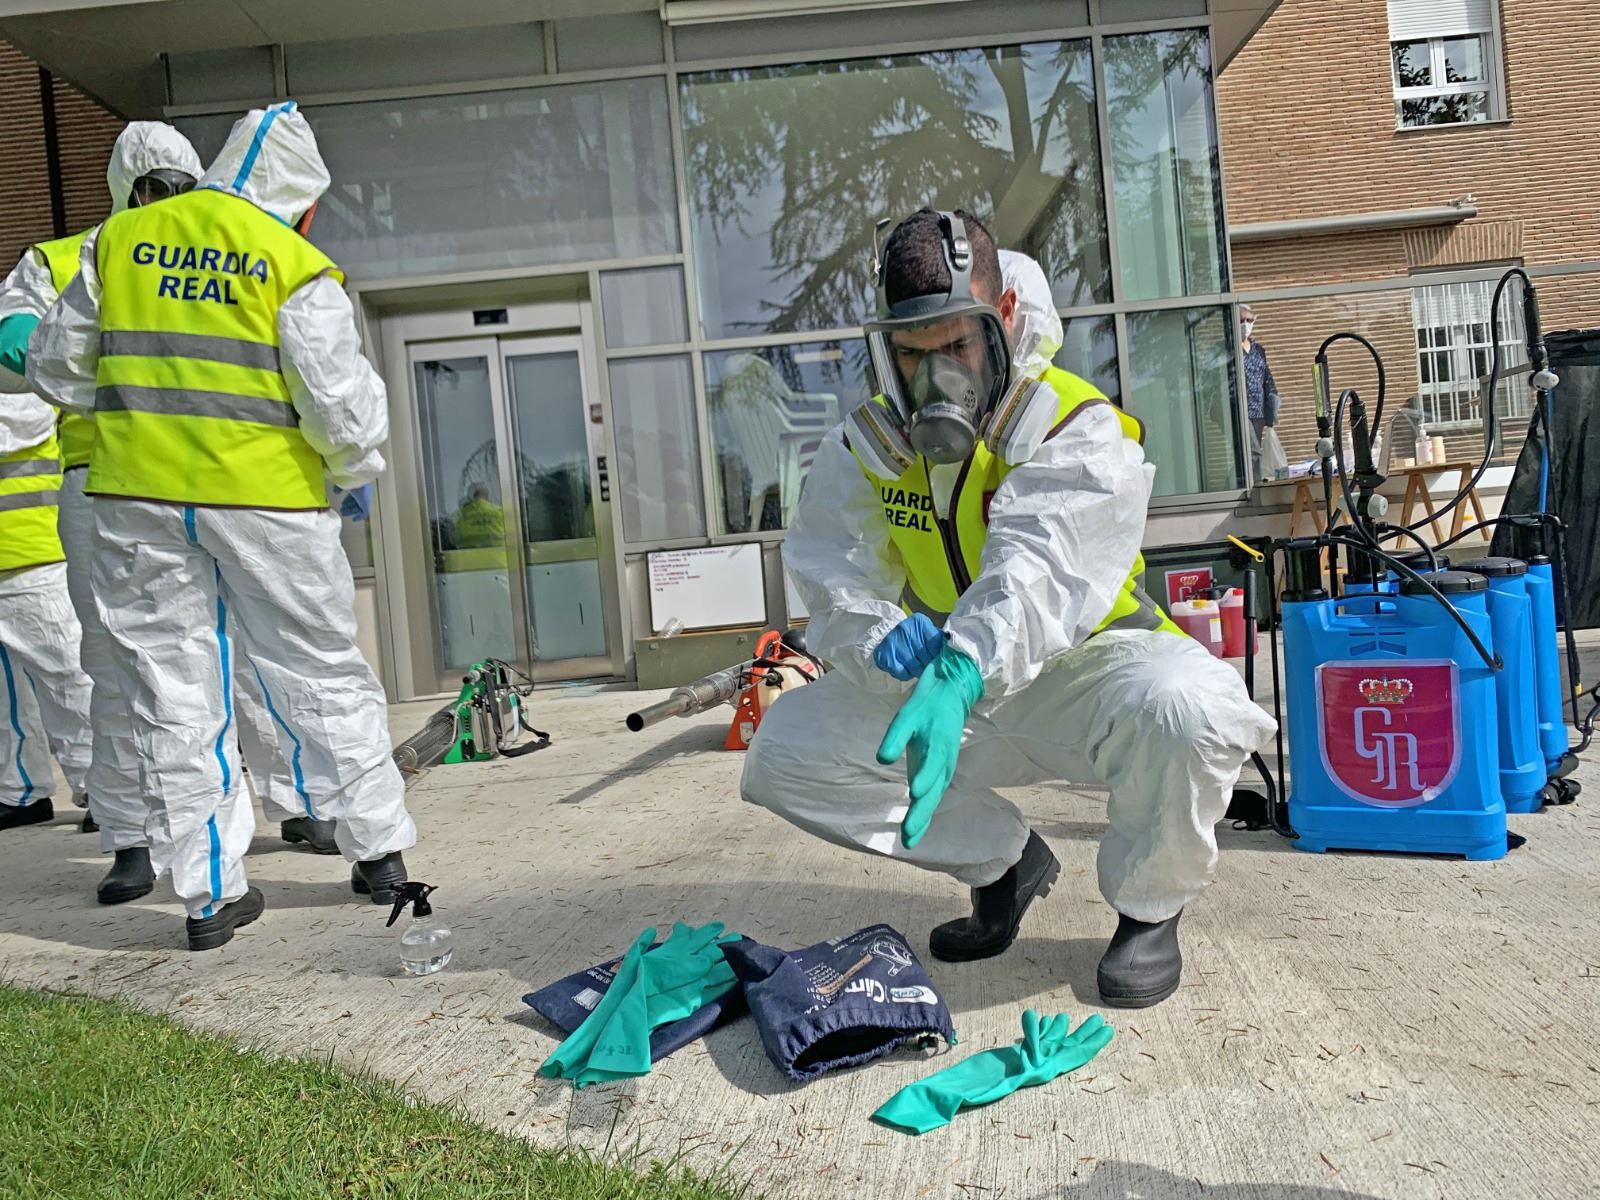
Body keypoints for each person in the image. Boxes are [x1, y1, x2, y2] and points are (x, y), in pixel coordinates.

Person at [742, 209, 1276, 1008]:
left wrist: (965, 661)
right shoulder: (867, 448)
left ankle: (1147, 906)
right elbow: (833, 572)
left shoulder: (1073, 423)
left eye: (957, 348)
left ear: (1006, 321)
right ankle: (1004, 865)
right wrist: (888, 640)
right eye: (911, 356)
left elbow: (1041, 568)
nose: (936, 382)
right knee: (787, 751)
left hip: (1084, 678)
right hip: (951, 699)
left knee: (1190, 707)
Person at [28, 102, 418, 951]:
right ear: (301, 196)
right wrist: (352, 481)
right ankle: (378, 852)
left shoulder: (117, 244)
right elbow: (345, 415)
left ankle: (210, 895)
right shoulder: (292, 259)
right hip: (271, 500)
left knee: (173, 691)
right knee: (320, 673)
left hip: (136, 499)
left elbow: (55, 369)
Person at [0, 122, 334, 906]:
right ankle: (131, 834)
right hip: (117, 481)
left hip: (214, 475)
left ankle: (296, 801)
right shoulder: (74, 257)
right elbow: (18, 334)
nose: (162, 199)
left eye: (173, 184)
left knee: (250, 651)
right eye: (151, 187)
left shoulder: (215, 243)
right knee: (124, 665)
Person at [1240, 304, 1281, 481]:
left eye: (1249, 320)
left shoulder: (1258, 350)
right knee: (1253, 452)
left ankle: (1240, 484)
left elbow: (1267, 379)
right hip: (1239, 412)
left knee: (1248, 455)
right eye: (1241, 320)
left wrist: (1273, 404)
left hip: (1258, 409)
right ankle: (1256, 489)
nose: (1245, 324)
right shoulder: (1228, 349)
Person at [454, 482, 506, 549]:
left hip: (468, 558)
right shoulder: (500, 512)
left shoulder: (461, 516)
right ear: (485, 494)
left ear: (471, 496)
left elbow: (454, 540)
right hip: (500, 557)